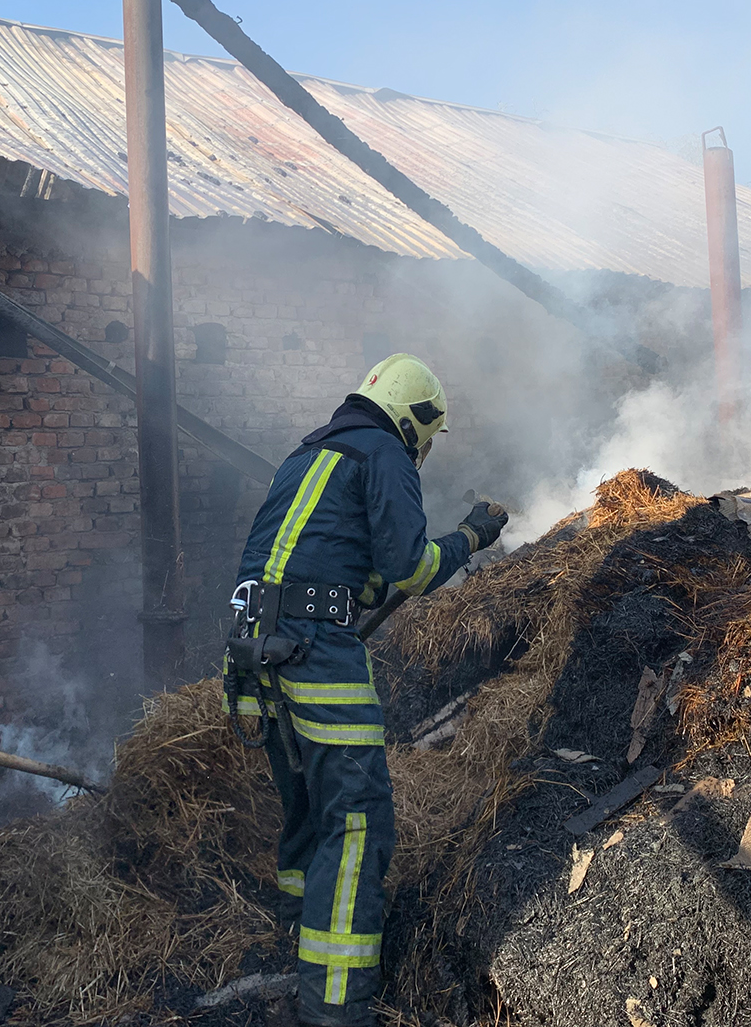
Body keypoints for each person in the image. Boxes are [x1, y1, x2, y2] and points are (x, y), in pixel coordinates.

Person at [227, 354, 508, 1027]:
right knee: (356, 823)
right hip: (314, 651)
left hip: (252, 653)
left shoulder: (311, 452)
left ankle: (293, 942)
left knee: (306, 809)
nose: (425, 450)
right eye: (429, 438)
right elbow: (409, 569)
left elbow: (338, 564)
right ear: (414, 422)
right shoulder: (384, 451)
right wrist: (471, 536)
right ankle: (334, 1003)